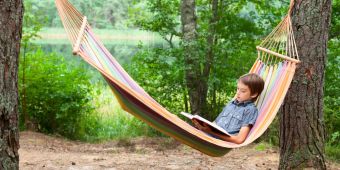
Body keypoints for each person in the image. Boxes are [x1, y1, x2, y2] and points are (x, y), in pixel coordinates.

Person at [192, 73, 265, 144]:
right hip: (209, 135)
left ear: (254, 94)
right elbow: (215, 123)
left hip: (221, 141)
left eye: (243, 91)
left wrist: (210, 132)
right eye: (237, 89)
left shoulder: (250, 110)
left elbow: (239, 139)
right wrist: (202, 126)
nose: (238, 93)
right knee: (187, 130)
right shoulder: (230, 104)